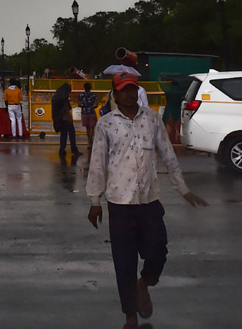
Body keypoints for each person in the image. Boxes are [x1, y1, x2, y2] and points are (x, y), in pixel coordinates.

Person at [87, 72, 209, 329]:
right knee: (124, 263)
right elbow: (97, 163)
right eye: (123, 90)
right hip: (120, 204)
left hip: (149, 201)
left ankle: (144, 283)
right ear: (115, 94)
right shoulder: (106, 124)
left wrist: (183, 189)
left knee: (157, 251)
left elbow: (168, 156)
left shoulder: (152, 120)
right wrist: (94, 200)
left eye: (133, 89)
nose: (129, 94)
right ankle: (130, 316)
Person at [52, 81, 79, 159]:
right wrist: (70, 118)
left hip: (60, 118)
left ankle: (62, 149)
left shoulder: (57, 95)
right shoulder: (64, 97)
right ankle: (74, 149)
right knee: (72, 134)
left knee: (63, 134)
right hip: (66, 118)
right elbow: (67, 108)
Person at [79, 82, 99, 149]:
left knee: (87, 128)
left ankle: (89, 141)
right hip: (91, 112)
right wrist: (92, 107)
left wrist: (84, 106)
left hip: (84, 112)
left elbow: (79, 103)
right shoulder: (93, 95)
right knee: (92, 128)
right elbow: (96, 104)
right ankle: (90, 141)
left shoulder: (81, 95)